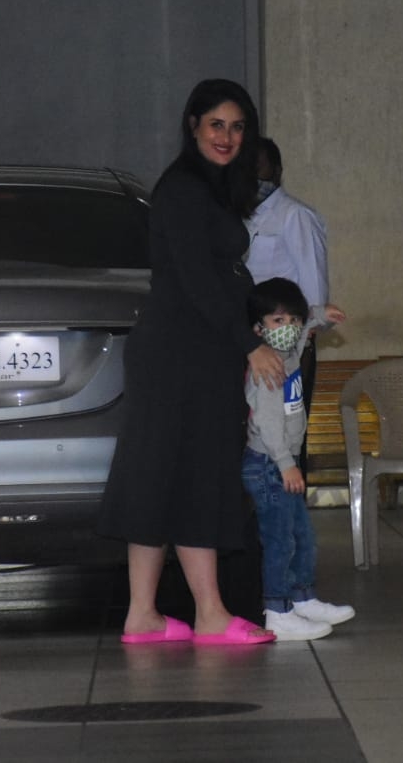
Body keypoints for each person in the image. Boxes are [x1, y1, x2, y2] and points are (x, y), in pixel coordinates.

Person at [97, 78, 285, 646]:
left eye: (237, 127)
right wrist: (249, 344)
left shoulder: (209, 189)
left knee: (168, 476)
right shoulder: (183, 190)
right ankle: (208, 614)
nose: (227, 137)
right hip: (182, 354)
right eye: (215, 125)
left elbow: (214, 281)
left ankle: (146, 615)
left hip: (190, 350)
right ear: (193, 127)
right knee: (188, 474)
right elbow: (200, 281)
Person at [242, 277, 356, 641]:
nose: (288, 328)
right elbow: (268, 422)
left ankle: (302, 597)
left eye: (292, 320)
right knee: (279, 540)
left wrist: (320, 315)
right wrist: (286, 462)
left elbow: (304, 321)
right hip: (269, 465)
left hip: (283, 464)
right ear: (258, 328)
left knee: (301, 536)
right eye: (278, 321)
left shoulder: (288, 354)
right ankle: (277, 609)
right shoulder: (267, 369)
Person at [245, 138, 329, 474]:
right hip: (253, 342)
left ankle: (289, 507)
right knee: (257, 431)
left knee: (289, 431)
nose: (253, 176)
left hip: (289, 347)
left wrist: (304, 340)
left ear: (277, 171)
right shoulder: (242, 216)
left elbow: (314, 285)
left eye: (259, 167)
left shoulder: (295, 216)